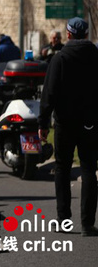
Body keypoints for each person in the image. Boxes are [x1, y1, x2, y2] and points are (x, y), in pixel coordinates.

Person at [38, 17, 98, 237]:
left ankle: (64, 220)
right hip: (91, 123)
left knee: (62, 169)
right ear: (86, 34)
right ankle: (88, 224)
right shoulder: (96, 56)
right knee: (89, 168)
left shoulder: (60, 58)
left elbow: (49, 94)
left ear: (69, 34)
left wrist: (43, 123)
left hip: (64, 123)